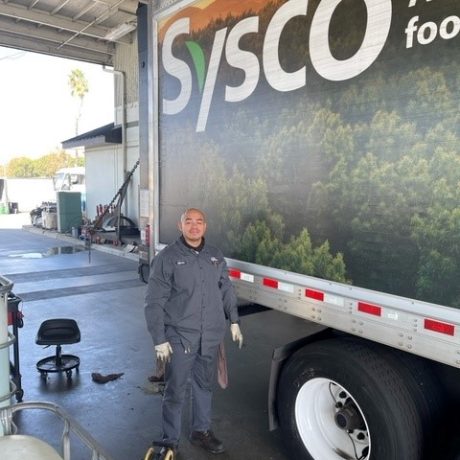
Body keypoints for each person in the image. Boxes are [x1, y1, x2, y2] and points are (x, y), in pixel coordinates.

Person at [144, 208, 243, 459]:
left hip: (210, 336)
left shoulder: (214, 256)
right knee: (175, 389)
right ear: (181, 226)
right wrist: (159, 339)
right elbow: (154, 301)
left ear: (205, 226)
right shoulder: (167, 258)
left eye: (199, 222)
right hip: (180, 337)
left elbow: (226, 289)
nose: (194, 226)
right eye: (189, 221)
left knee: (204, 385)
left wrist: (234, 320)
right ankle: (169, 440)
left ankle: (201, 431)